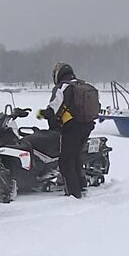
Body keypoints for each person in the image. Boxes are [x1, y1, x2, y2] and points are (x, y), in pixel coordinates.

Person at [36, 62, 100, 199]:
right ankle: (82, 187)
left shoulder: (63, 87)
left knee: (66, 161)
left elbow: (53, 108)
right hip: (87, 125)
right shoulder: (82, 84)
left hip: (72, 126)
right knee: (76, 156)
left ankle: (73, 193)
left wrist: (42, 113)